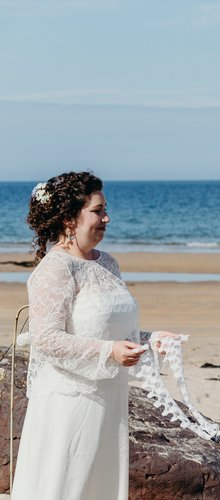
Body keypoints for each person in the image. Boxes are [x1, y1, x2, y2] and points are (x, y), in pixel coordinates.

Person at [12, 171, 177, 500]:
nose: (107, 218)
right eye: (98, 210)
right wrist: (110, 352)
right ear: (69, 217)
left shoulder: (108, 264)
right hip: (69, 405)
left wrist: (150, 339)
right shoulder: (56, 269)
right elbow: (46, 340)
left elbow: (114, 332)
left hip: (109, 402)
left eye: (105, 209)